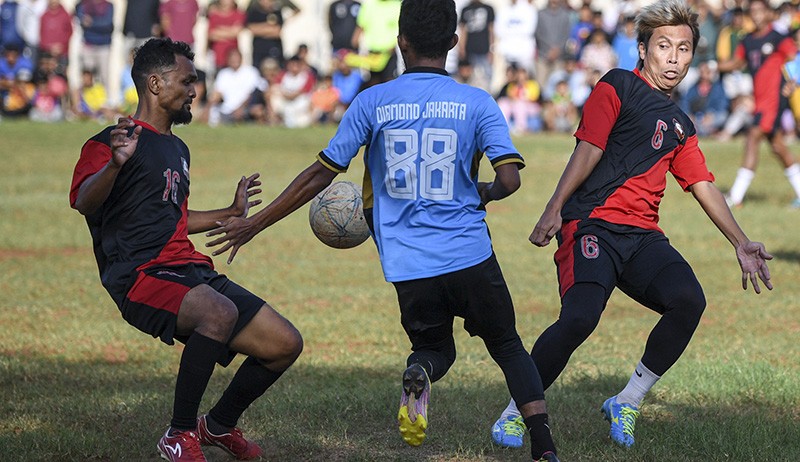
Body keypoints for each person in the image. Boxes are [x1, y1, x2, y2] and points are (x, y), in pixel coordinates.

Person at [205, 1, 560, 460]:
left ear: (401, 42)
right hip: (470, 253)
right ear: (453, 43)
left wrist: (255, 222)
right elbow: (510, 179)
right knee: (508, 345)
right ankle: (545, 447)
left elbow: (321, 173)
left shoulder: (372, 101)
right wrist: (484, 194)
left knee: (434, 348)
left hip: (407, 262)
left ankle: (420, 370)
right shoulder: (477, 102)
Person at [489, 0, 773, 450]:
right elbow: (589, 149)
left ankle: (628, 400)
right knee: (580, 317)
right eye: (664, 46)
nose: (675, 58)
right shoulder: (617, 85)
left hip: (641, 237)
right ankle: (515, 412)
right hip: (591, 226)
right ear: (642, 50)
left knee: (688, 301)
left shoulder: (682, 123)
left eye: (684, 48)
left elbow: (702, 183)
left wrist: (740, 241)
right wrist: (554, 207)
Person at [69, 38, 302, 462]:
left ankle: (216, 427)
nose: (195, 90)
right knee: (218, 312)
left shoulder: (177, 148)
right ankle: (178, 434)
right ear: (155, 84)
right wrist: (114, 165)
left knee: (284, 343)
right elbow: (85, 200)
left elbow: (172, 216)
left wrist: (230, 212)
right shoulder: (111, 141)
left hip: (187, 268)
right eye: (187, 80)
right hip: (140, 275)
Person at [718, 0, 800, 208]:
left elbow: (794, 59)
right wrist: (712, 65)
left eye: (759, 11)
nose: (755, 15)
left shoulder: (778, 37)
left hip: (773, 100)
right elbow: (736, 63)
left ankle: (735, 197)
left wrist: (793, 82)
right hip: (760, 100)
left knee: (752, 137)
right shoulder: (748, 41)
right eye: (752, 11)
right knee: (777, 146)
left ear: (768, 13)